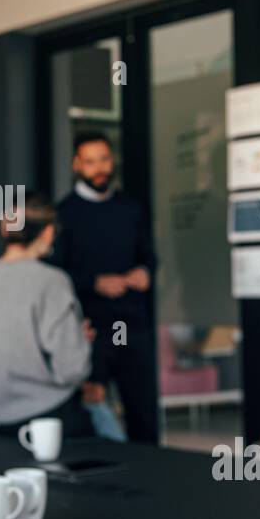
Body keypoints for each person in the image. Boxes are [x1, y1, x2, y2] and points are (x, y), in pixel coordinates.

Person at [48, 131, 161, 444]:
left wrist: (145, 271)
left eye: (104, 159)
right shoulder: (64, 213)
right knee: (93, 417)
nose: (99, 168)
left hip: (133, 325)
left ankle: (153, 487)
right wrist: (95, 282)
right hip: (90, 329)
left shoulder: (131, 208)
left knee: (144, 416)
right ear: (76, 165)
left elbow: (149, 257)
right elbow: (55, 275)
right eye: (90, 161)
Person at [0, 191, 97, 439]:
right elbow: (72, 368)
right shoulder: (52, 281)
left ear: (6, 230)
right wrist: (79, 343)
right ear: (47, 232)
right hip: (50, 420)